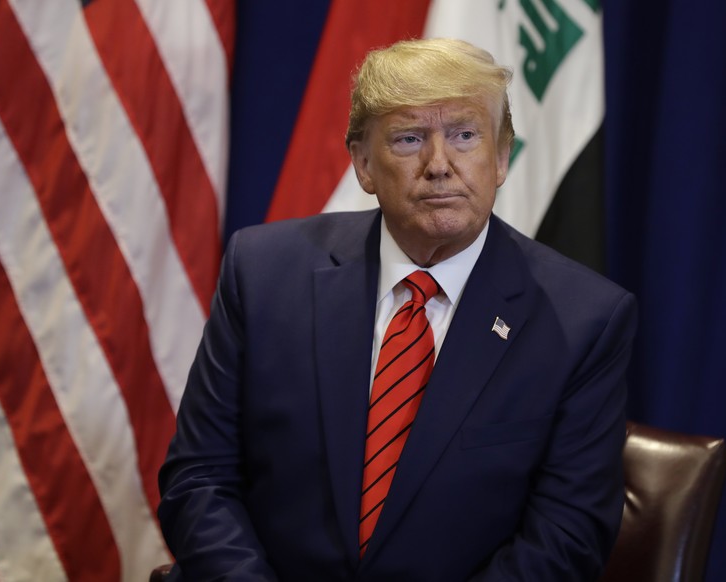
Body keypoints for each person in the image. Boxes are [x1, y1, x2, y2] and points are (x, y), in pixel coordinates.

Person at [158, 37, 637, 581]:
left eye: (464, 135)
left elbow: (566, 536)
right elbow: (199, 478)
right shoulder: (264, 272)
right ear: (363, 164)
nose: (439, 165)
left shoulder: (584, 319)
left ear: (501, 157)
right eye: (409, 139)